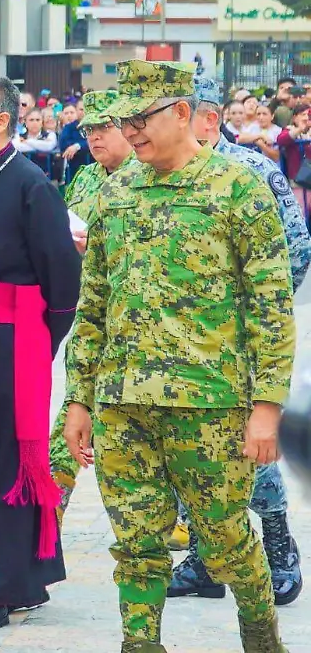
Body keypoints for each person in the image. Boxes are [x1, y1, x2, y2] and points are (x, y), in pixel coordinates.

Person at [63, 60, 296, 652]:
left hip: (210, 403)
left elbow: (270, 305)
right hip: (122, 402)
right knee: (136, 543)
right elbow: (92, 305)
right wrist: (78, 399)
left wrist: (266, 408)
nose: (131, 131)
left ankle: (262, 636)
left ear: (183, 113)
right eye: (125, 120)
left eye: (141, 118)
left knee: (223, 542)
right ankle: (140, 645)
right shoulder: (115, 191)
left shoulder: (237, 187)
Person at [161, 76, 309, 609]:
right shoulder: (164, 173)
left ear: (203, 116)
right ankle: (205, 557)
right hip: (181, 341)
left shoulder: (252, 171)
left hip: (240, 341)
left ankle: (276, 550)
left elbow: (296, 252)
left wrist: (245, 315)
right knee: (188, 446)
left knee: (254, 444)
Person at [0, 74, 81, 638]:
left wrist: (37, 340)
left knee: (4, 461)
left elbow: (61, 274)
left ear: (1, 121)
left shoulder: (30, 183)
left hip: (10, 338)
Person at [47, 90, 138, 520]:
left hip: (139, 324)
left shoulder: (147, 178)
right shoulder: (84, 178)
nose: (95, 137)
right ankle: (48, 514)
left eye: (105, 127)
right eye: (89, 129)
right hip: (88, 315)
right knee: (72, 413)